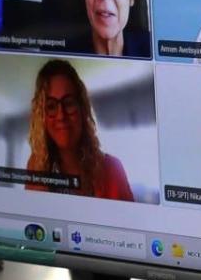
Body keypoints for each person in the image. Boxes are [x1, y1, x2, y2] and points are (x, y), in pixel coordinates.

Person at [24, 59, 134, 201]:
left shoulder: (113, 169)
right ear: (42, 117)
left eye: (68, 103)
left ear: (81, 108)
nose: (61, 115)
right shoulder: (36, 167)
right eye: (51, 106)